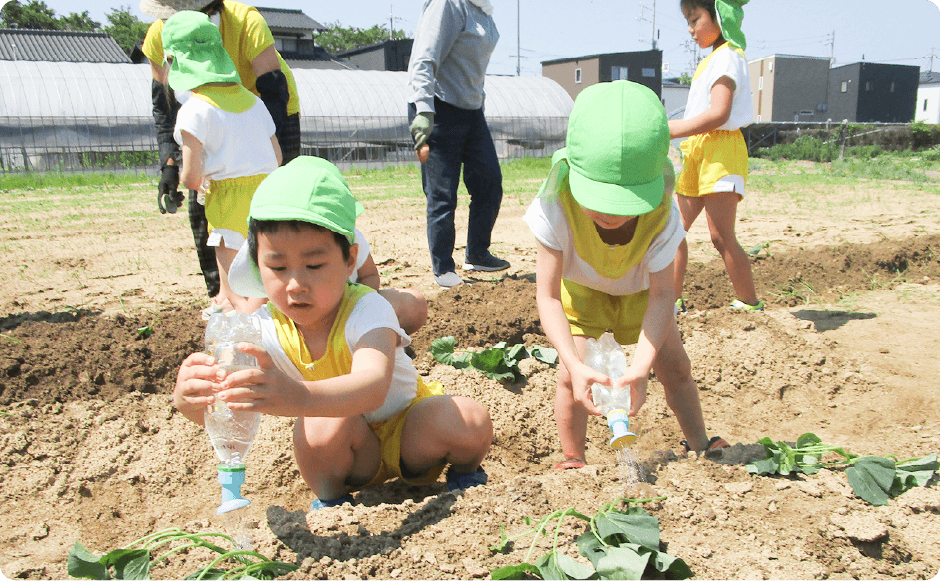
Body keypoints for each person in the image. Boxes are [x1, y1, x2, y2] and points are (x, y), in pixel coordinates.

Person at [173, 156, 493, 508]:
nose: (296, 285)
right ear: (257, 266)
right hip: (353, 455)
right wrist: (193, 402)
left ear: (349, 260)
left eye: (314, 265)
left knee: (470, 419)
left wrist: (298, 396)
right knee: (319, 426)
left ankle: (465, 478)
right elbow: (227, 406)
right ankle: (333, 503)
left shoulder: (367, 308)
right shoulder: (261, 327)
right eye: (277, 267)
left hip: (410, 432)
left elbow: (372, 386)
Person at [523, 81, 728, 470]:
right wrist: (573, 360)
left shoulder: (662, 213)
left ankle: (699, 442)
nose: (611, 214)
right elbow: (547, 297)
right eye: (598, 199)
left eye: (626, 203)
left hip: (643, 296)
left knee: (676, 367)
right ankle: (573, 457)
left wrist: (640, 367)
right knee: (572, 377)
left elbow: (664, 296)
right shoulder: (555, 204)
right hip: (583, 296)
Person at [141, 0, 302, 307]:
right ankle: (223, 296)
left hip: (262, 108)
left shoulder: (245, 21)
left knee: (280, 214)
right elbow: (164, 103)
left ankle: (277, 300)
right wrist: (169, 163)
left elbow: (272, 90)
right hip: (216, 116)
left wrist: (272, 172)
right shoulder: (159, 34)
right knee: (204, 213)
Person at [406, 0, 509, 288]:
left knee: (489, 182)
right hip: (438, 108)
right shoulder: (449, 4)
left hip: (472, 112)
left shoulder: (483, 11)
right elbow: (424, 57)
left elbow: (472, 70)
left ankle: (477, 252)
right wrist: (423, 108)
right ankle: (443, 268)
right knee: (442, 194)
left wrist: (478, 105)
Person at [669, 0, 763, 313]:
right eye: (688, 20)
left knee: (720, 236)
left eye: (695, 19)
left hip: (720, 151)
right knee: (672, 232)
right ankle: (671, 299)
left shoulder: (728, 57)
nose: (690, 29)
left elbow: (719, 113)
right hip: (697, 152)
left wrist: (673, 128)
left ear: (719, 18)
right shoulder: (709, 62)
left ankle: (749, 303)